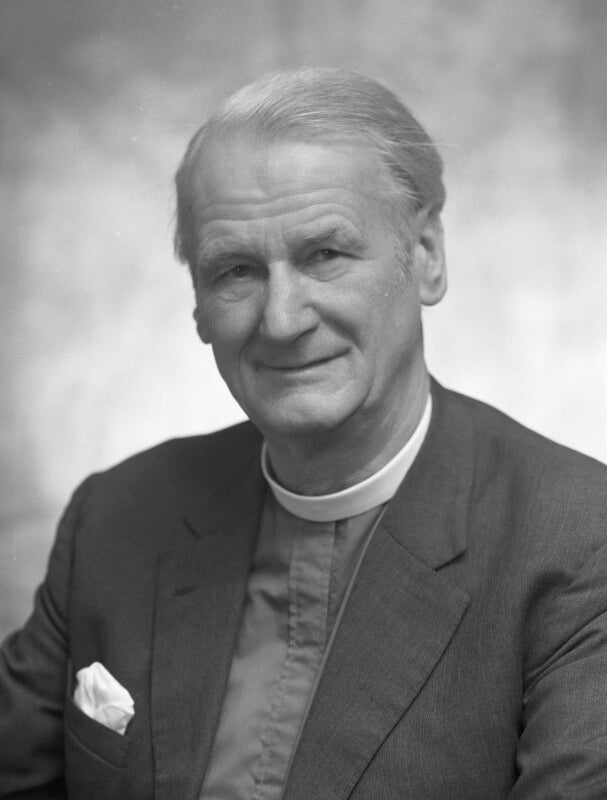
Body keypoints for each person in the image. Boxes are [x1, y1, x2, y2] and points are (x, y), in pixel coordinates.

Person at [1, 67, 606, 800]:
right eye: (237, 271)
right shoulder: (115, 516)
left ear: (426, 256)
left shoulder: (579, 541)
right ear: (197, 305)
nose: (282, 320)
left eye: (325, 255)